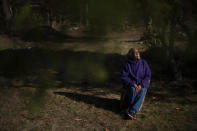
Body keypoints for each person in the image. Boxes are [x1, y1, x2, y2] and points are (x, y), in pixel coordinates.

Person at [120, 48, 151, 120]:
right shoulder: (128, 64)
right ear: (131, 55)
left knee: (142, 91)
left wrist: (141, 85)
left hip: (142, 84)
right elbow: (123, 76)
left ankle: (131, 112)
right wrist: (133, 83)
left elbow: (148, 75)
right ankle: (132, 111)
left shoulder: (144, 63)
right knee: (133, 90)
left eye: (138, 52)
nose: (138, 53)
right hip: (132, 84)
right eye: (135, 52)